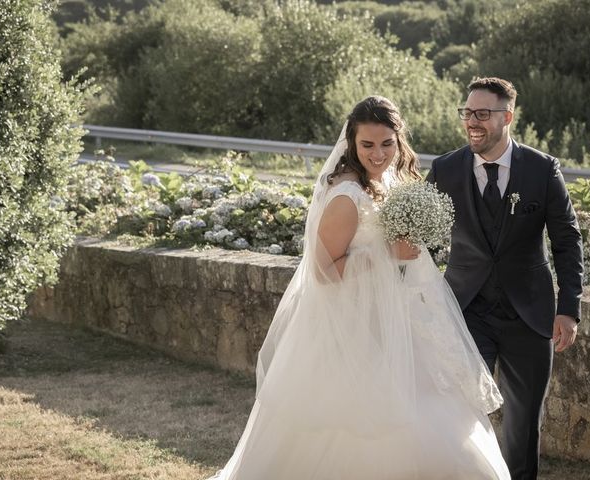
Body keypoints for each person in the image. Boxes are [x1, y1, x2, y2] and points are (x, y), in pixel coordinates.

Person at [209, 96, 510, 479]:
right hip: (357, 328)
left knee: (430, 411)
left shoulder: (388, 181)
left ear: (399, 141)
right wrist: (387, 253)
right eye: (367, 144)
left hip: (401, 319)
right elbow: (323, 271)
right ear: (352, 143)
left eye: (387, 143)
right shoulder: (346, 196)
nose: (378, 153)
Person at [427, 77, 583, 480]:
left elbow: (567, 241)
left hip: (529, 317)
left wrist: (569, 309)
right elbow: (421, 241)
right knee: (459, 416)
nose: (472, 122)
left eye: (482, 113)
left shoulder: (542, 170)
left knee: (522, 424)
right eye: (467, 113)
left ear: (507, 117)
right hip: (464, 312)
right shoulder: (444, 169)